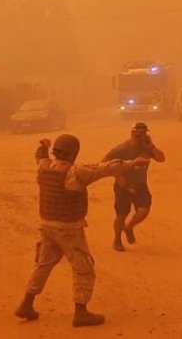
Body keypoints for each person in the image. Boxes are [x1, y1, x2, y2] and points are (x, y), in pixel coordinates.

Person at [16, 134, 149, 327]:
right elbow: (106, 168)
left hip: (47, 226)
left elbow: (40, 157)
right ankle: (81, 312)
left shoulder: (44, 167)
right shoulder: (76, 172)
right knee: (83, 269)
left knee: (43, 264)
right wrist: (132, 163)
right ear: (73, 153)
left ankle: (27, 303)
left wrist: (44, 147)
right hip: (69, 228)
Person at [105, 122, 166, 252]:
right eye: (138, 134)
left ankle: (130, 226)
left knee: (144, 210)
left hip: (140, 185)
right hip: (124, 186)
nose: (141, 137)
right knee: (121, 215)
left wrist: (151, 146)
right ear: (132, 134)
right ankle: (117, 240)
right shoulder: (121, 149)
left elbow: (161, 159)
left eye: (144, 134)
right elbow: (103, 163)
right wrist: (118, 176)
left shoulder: (147, 148)